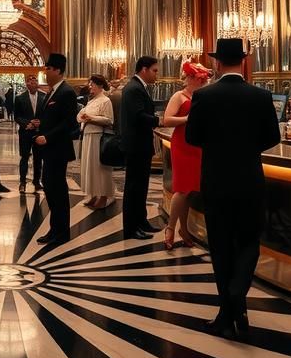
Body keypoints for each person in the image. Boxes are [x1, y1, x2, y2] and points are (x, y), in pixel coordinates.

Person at [185, 38, 281, 340]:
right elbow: (273, 137)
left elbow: (192, 137)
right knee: (250, 240)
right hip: (250, 179)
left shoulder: (204, 96)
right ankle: (238, 294)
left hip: (215, 180)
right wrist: (247, 149)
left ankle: (226, 314)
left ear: (216, 63)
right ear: (243, 61)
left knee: (221, 246)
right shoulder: (261, 96)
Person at [163, 61, 211, 250]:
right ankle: (170, 228)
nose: (203, 82)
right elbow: (167, 120)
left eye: (204, 80)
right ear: (190, 78)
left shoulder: (202, 97)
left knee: (189, 190)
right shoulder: (179, 96)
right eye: (200, 79)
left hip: (197, 145)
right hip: (182, 144)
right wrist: (187, 119)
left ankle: (184, 229)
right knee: (182, 189)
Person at [34, 53, 78, 245]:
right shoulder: (52, 92)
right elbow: (53, 118)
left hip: (58, 149)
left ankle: (61, 232)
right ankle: (55, 229)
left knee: (57, 190)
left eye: (49, 69)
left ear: (58, 70)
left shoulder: (66, 92)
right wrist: (39, 124)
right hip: (50, 150)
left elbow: (69, 122)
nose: (46, 72)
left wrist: (48, 136)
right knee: (50, 187)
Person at [119, 56, 162, 240]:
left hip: (141, 144)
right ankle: (131, 228)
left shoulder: (138, 87)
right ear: (144, 69)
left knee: (141, 186)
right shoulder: (134, 88)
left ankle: (141, 221)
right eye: (154, 70)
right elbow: (138, 116)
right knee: (134, 187)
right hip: (136, 145)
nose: (156, 74)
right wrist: (159, 120)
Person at [79, 74, 115, 209]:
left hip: (98, 137)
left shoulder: (106, 100)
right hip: (88, 135)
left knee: (100, 168)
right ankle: (93, 194)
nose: (90, 86)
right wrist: (83, 117)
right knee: (90, 167)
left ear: (100, 85)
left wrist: (91, 118)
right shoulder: (91, 101)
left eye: (92, 84)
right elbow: (80, 115)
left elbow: (109, 120)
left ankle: (104, 196)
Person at [13, 74, 46, 194]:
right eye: (30, 81)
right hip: (25, 132)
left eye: (35, 81)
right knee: (24, 157)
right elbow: (17, 116)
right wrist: (28, 123)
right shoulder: (20, 98)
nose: (33, 83)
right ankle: (22, 182)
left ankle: (37, 182)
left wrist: (40, 122)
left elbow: (47, 114)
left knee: (38, 158)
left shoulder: (44, 96)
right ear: (26, 84)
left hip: (39, 132)